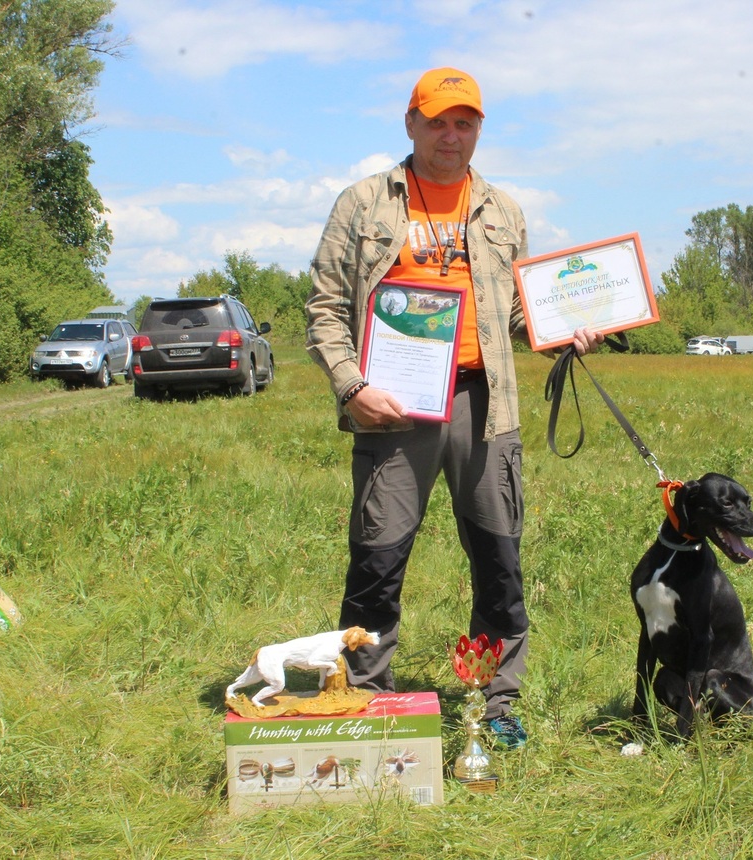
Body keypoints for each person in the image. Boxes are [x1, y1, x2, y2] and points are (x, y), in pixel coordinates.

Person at [305, 67, 602, 750]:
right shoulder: (363, 204)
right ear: (410, 124)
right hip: (392, 407)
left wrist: (569, 329)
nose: (450, 134)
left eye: (463, 121)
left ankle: (496, 702)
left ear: (478, 130)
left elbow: (525, 317)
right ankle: (367, 699)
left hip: (482, 402)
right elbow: (323, 310)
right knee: (377, 559)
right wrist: (352, 386)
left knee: (500, 561)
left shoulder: (504, 210)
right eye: (436, 120)